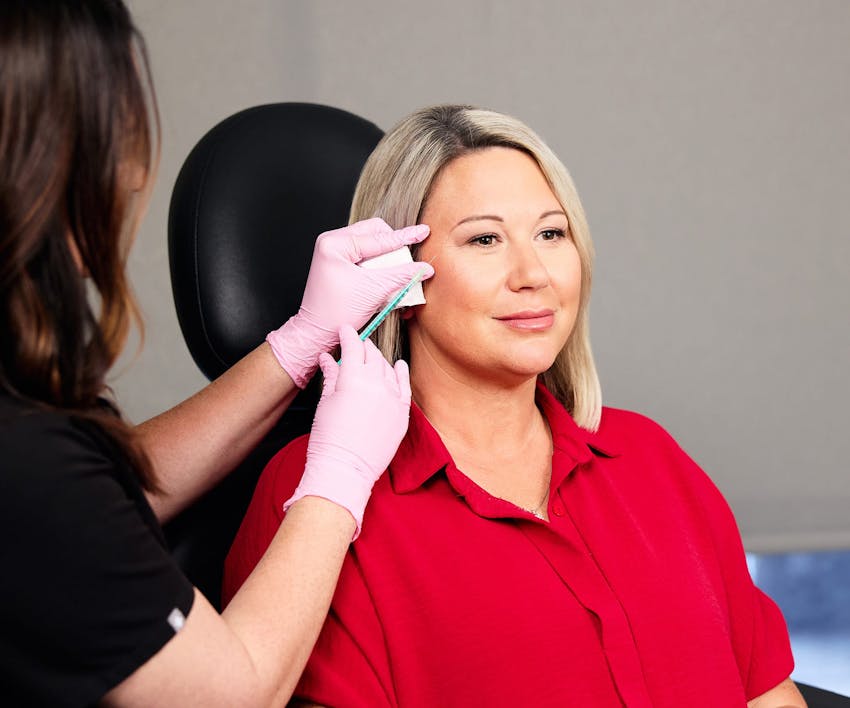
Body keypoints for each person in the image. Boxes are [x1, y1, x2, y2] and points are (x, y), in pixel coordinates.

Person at [224, 105, 808, 707]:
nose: (533, 273)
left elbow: (767, 693)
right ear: (395, 275)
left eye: (552, 234)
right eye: (485, 239)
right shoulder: (315, 499)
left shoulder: (650, 457)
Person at [0, 1, 433, 705]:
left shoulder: (35, 458)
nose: (134, 177)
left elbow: (92, 507)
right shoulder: (25, 461)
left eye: (551, 232)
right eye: (482, 238)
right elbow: (230, 693)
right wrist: (338, 476)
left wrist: (295, 347)